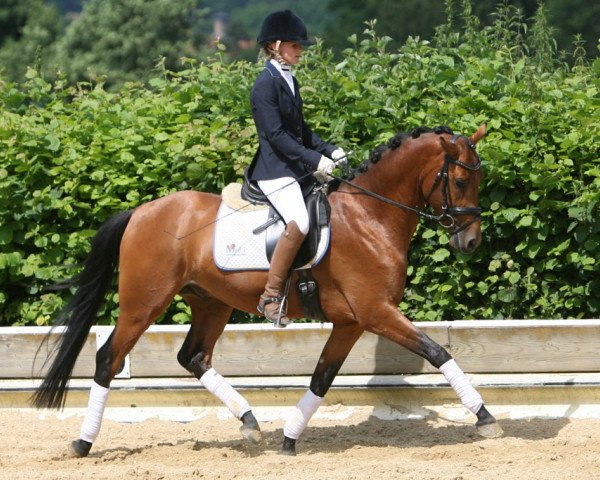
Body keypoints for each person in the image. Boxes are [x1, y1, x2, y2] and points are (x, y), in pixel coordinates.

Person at [247, 9, 345, 327]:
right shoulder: (264, 85)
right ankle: (271, 297)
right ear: (275, 45)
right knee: (299, 221)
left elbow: (301, 131)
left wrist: (330, 150)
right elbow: (275, 136)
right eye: (294, 44)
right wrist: (313, 160)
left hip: (293, 167)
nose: (300, 49)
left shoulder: (289, 79)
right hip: (274, 170)